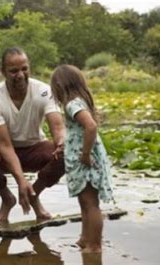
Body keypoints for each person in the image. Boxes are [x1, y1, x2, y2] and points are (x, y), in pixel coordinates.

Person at [0, 47, 65, 222]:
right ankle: (7, 198)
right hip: (3, 150)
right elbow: (4, 145)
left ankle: (34, 195)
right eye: (14, 71)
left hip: (34, 147)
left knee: (68, 152)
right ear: (3, 72)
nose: (21, 75)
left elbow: (58, 127)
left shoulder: (44, 91)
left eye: (24, 69)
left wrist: (61, 141)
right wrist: (21, 181)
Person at [50, 64, 113, 253]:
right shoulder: (77, 103)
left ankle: (95, 245)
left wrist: (85, 154)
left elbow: (91, 127)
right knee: (84, 201)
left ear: (60, 87)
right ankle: (85, 238)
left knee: (91, 204)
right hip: (81, 158)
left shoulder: (72, 104)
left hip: (86, 160)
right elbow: (76, 132)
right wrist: (65, 146)